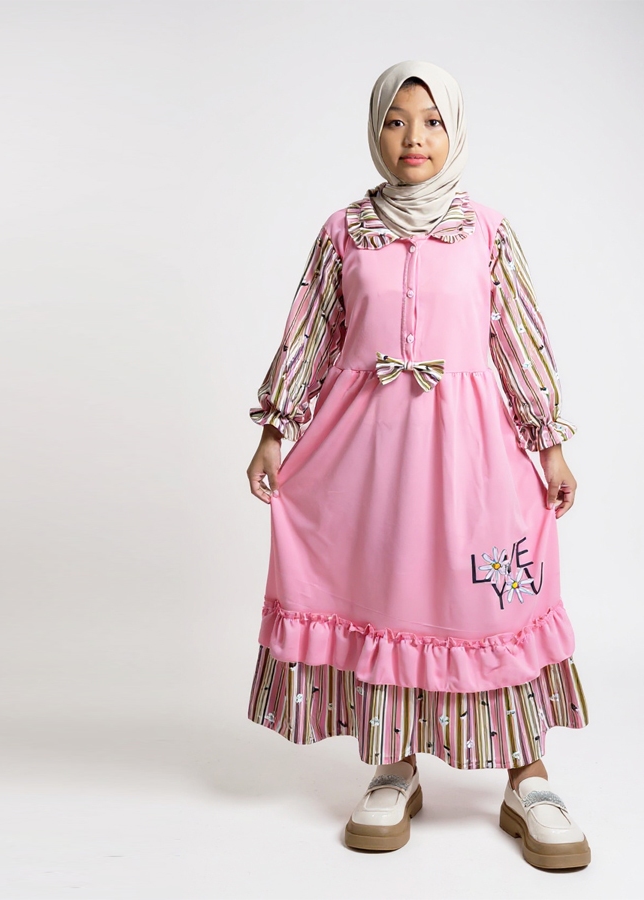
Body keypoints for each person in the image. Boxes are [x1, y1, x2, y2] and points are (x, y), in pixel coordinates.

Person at [245, 59, 591, 870]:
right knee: (385, 594)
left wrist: (550, 442)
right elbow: (310, 333)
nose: (414, 138)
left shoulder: (486, 230)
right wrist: (275, 430)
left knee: (491, 598)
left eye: (432, 121)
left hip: (472, 451)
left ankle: (527, 778)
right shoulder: (344, 231)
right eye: (396, 120)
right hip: (367, 455)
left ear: (454, 130)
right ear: (376, 129)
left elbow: (518, 338)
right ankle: (394, 766)